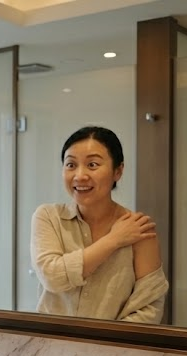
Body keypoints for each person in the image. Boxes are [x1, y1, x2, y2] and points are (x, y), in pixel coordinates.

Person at [31, 126, 169, 323]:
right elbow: (52, 276)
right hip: (51, 347)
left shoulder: (138, 229)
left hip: (114, 350)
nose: (79, 175)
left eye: (92, 165)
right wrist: (114, 240)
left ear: (118, 171)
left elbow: (149, 308)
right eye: (71, 165)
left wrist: (107, 348)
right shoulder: (48, 217)